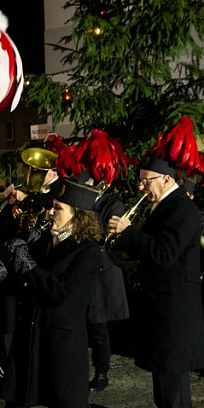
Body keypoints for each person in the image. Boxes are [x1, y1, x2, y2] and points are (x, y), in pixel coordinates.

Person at [107, 116, 204, 408]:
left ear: (166, 179)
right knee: (164, 382)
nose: (141, 186)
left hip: (175, 311)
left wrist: (129, 234)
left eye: (146, 179)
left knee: (173, 384)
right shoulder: (166, 205)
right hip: (162, 306)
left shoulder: (181, 209)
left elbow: (164, 254)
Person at [0, 175, 103, 408]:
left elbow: (62, 292)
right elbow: (21, 277)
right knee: (14, 406)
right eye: (52, 206)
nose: (51, 212)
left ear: (78, 215)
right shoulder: (45, 238)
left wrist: (29, 268)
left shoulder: (87, 251)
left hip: (61, 340)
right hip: (31, 333)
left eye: (58, 208)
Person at [75, 128, 132, 392]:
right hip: (80, 270)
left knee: (98, 328)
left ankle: (102, 371)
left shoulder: (113, 204)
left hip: (101, 272)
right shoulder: (79, 202)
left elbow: (104, 233)